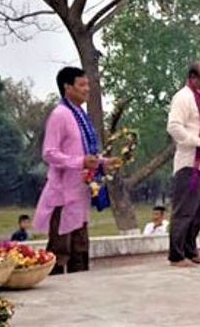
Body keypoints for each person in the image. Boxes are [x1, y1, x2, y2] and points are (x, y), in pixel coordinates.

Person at [33, 67, 120, 275]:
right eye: (81, 85)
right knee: (60, 248)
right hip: (62, 194)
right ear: (67, 87)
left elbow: (85, 153)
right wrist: (80, 162)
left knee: (80, 250)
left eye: (87, 85)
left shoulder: (80, 115)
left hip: (80, 192)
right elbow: (49, 153)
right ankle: (55, 289)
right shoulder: (60, 115)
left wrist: (104, 162)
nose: (86, 89)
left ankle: (80, 288)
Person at [166, 61, 200, 267]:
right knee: (184, 211)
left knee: (198, 212)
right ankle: (176, 255)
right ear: (193, 78)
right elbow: (174, 127)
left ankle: (190, 249)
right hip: (189, 163)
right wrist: (198, 141)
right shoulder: (183, 97)